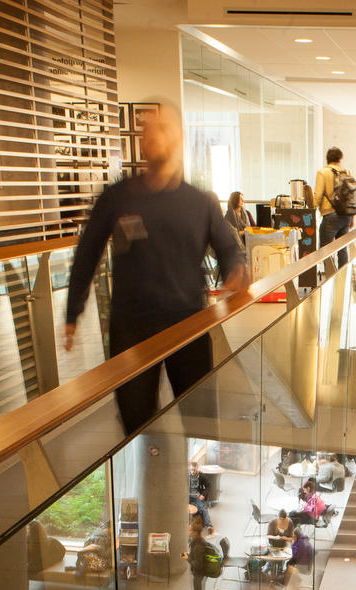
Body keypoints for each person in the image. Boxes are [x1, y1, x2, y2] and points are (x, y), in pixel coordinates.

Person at [64, 102, 250, 433]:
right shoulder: (116, 197)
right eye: (147, 131)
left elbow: (228, 249)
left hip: (188, 325)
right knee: (137, 426)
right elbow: (87, 252)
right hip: (131, 331)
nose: (152, 137)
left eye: (162, 129)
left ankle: (200, 487)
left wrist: (236, 270)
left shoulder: (199, 201)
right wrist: (72, 312)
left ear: (178, 137)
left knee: (201, 424)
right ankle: (147, 480)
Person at [316, 146, 356, 267]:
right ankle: (342, 278)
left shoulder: (323, 173)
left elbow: (318, 195)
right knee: (342, 249)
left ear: (327, 159)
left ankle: (330, 279)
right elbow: (352, 196)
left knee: (325, 249)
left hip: (330, 214)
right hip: (345, 215)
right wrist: (352, 218)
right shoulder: (347, 172)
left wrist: (313, 209)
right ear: (340, 158)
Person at [183, 524, 218, 590]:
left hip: (199, 574)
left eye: (190, 529)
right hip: (201, 573)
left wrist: (187, 558)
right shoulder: (197, 542)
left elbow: (197, 565)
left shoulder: (198, 546)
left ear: (194, 532)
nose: (188, 530)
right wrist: (189, 556)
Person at [189, 460, 213, 527]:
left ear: (197, 469)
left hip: (197, 496)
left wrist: (203, 495)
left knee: (203, 509)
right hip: (188, 496)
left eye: (194, 470)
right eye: (191, 470)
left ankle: (210, 527)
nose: (193, 472)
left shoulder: (201, 476)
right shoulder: (186, 476)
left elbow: (209, 485)